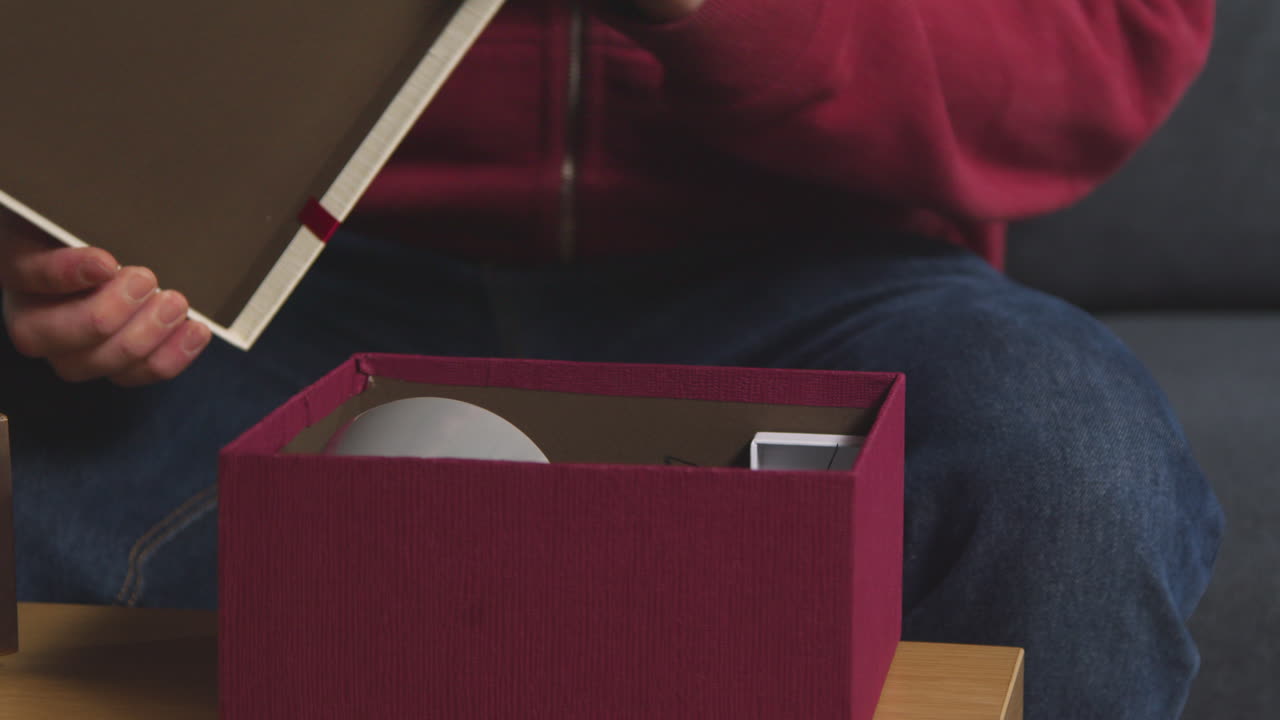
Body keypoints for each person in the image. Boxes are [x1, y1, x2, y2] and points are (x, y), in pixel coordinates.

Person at [0, 1, 1223, 717]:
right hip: (276, 276)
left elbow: (1096, 47)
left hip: (821, 265)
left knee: (1068, 465)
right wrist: (54, 213)